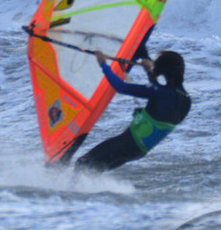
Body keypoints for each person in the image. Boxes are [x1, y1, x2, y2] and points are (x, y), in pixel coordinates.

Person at [72, 41, 191, 171]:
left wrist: (103, 64)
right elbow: (162, 99)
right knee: (92, 171)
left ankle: (65, 190)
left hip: (126, 143)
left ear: (164, 71)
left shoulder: (159, 92)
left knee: (82, 164)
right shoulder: (186, 100)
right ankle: (84, 190)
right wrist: (150, 72)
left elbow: (121, 87)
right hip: (137, 151)